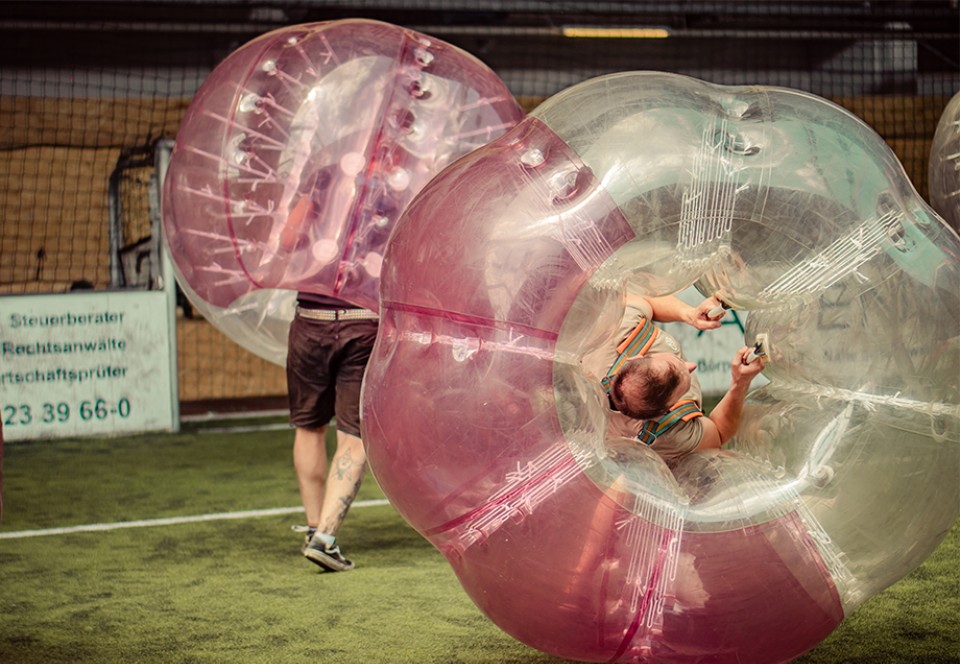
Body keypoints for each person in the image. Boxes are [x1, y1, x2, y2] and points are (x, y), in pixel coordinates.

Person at [584, 293, 766, 464]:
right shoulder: (670, 435)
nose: (691, 365)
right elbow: (717, 434)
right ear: (665, 411)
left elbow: (647, 299)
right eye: (684, 385)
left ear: (635, 358)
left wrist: (689, 314)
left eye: (676, 362)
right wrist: (740, 383)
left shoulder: (613, 331)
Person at [287, 291, 378, 572]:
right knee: (354, 435)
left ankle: (314, 529)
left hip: (311, 318)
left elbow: (287, 247)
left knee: (308, 428)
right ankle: (325, 538)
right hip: (364, 320)